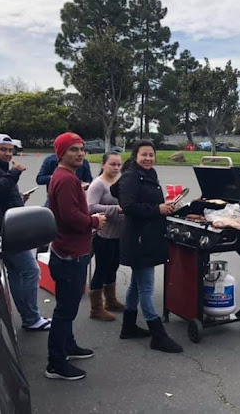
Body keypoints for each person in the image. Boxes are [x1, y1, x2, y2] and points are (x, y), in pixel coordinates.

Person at [111, 140, 183, 353]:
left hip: (148, 236)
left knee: (136, 283)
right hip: (139, 240)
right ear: (135, 156)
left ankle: (129, 326)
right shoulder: (131, 177)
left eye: (151, 154)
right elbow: (128, 206)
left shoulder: (147, 174)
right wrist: (156, 209)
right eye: (144, 155)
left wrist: (166, 206)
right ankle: (158, 335)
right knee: (147, 288)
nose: (149, 158)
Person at [45, 132, 107, 381]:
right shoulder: (67, 179)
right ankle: (56, 363)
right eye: (73, 149)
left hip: (66, 251)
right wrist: (95, 220)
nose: (80, 153)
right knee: (65, 311)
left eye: (82, 149)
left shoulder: (63, 177)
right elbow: (71, 218)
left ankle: (68, 346)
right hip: (71, 254)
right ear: (61, 154)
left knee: (65, 307)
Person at [0, 133, 50, 331]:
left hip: (9, 230)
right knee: (30, 271)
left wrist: (19, 199)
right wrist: (14, 173)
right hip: (7, 232)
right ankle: (31, 317)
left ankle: (29, 317)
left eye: (10, 150)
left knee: (18, 274)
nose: (8, 154)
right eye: (3, 149)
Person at [86, 152, 125, 321]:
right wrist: (115, 209)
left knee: (113, 266)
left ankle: (111, 300)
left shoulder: (120, 181)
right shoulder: (98, 184)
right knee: (102, 268)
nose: (116, 168)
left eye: (118, 165)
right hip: (103, 233)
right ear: (103, 165)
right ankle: (96, 308)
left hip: (119, 232)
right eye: (112, 164)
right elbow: (90, 207)